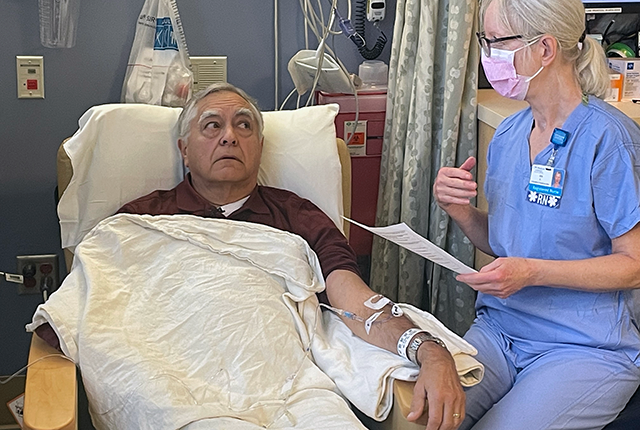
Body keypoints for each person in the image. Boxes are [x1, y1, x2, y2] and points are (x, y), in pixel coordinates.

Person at [99, 82, 465, 429]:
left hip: (289, 389)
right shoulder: (140, 222)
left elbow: (355, 301)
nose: (229, 136)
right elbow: (97, 313)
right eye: (212, 126)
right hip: (173, 382)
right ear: (184, 150)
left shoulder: (299, 217)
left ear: (258, 145)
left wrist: (428, 349)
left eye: (243, 125)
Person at [433, 0, 640, 429]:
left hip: (585, 346)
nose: (487, 54)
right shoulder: (508, 135)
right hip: (500, 330)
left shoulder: (610, 139)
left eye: (496, 42)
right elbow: (505, 244)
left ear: (545, 48)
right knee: (424, 417)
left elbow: (635, 266)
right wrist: (461, 212)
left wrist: (530, 272)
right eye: (484, 41)